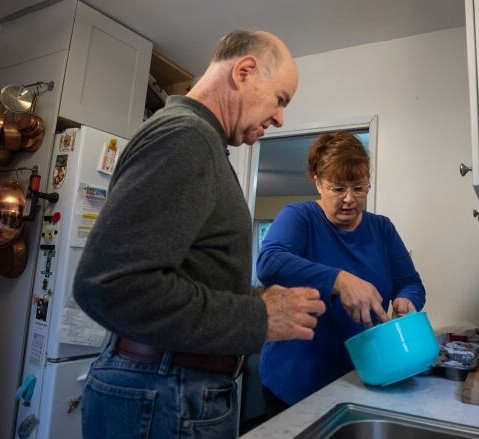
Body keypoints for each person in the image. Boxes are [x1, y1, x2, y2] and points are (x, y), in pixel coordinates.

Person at [73, 30, 325, 439]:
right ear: (244, 71)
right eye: (281, 98)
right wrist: (258, 316)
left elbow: (187, 276)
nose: (280, 117)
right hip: (163, 395)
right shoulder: (186, 137)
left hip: (170, 392)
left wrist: (255, 299)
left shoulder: (197, 140)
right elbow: (110, 285)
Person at [256, 131, 426, 415]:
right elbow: (269, 263)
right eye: (338, 188)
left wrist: (407, 300)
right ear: (318, 182)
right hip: (296, 381)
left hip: (363, 375)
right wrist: (339, 279)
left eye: (358, 188)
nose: (349, 199)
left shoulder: (382, 229)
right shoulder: (300, 217)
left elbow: (409, 282)